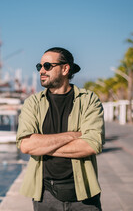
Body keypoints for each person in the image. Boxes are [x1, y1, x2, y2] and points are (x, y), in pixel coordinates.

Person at [16, 47, 105, 210]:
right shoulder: (32, 103)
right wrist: (72, 136)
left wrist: (41, 147)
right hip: (45, 194)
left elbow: (92, 144)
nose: (42, 71)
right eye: (39, 66)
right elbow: (26, 145)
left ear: (65, 69)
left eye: (48, 66)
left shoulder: (89, 100)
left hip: (84, 195)